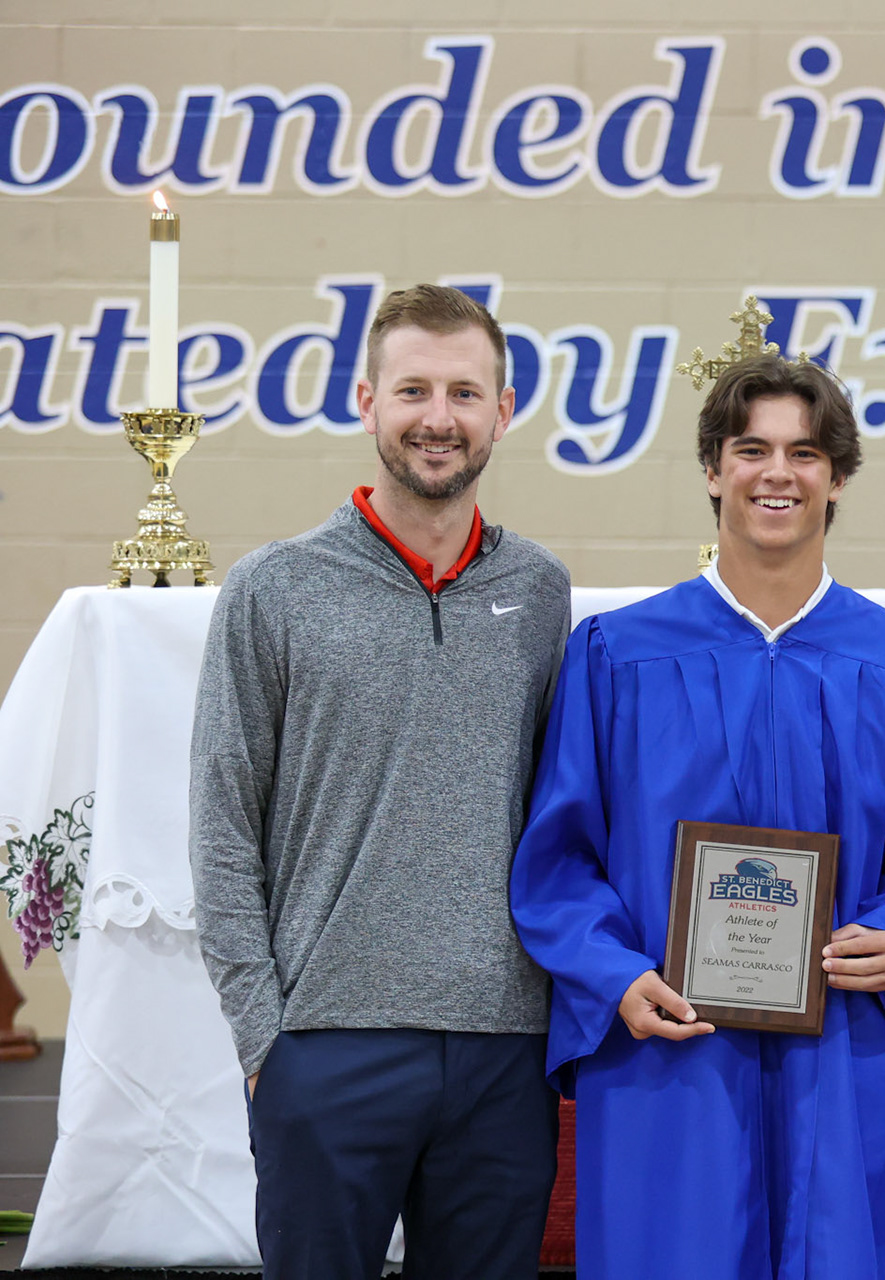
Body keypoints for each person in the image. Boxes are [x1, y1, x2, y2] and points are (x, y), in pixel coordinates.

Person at [509, 353, 885, 1279]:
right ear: (713, 470)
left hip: (833, 1040)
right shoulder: (618, 654)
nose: (777, 473)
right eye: (751, 450)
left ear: (837, 479)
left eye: (804, 452)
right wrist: (616, 975)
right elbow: (556, 860)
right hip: (667, 1048)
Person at [189, 283, 572, 1279]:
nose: (437, 417)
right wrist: (264, 1038)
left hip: (502, 1048)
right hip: (325, 1045)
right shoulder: (273, 588)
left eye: (462, 391)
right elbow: (223, 821)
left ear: (504, 409)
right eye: (412, 390)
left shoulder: (539, 591)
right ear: (366, 400)